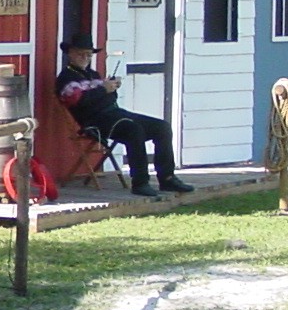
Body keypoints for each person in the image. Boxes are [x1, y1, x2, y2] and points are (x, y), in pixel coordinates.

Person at [53, 34, 194, 198]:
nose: (85, 58)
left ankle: (167, 178)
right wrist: (103, 89)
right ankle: (140, 182)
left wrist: (112, 87)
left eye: (89, 55)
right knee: (133, 130)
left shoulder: (93, 74)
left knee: (162, 127)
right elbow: (79, 101)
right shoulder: (66, 78)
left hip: (115, 114)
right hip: (95, 121)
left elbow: (108, 98)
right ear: (70, 53)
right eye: (80, 54)